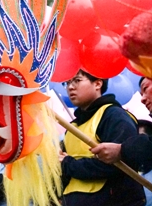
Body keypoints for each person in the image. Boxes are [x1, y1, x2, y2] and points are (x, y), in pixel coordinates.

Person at [59, 70, 145, 206]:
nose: (70, 87)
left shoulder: (114, 116)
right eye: (67, 82)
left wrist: (67, 164)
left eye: (77, 80)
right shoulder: (71, 127)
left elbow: (120, 163)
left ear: (98, 83)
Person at [91, 77, 152, 167]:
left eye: (145, 88)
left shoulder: (115, 114)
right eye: (141, 94)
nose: (142, 99)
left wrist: (122, 150)